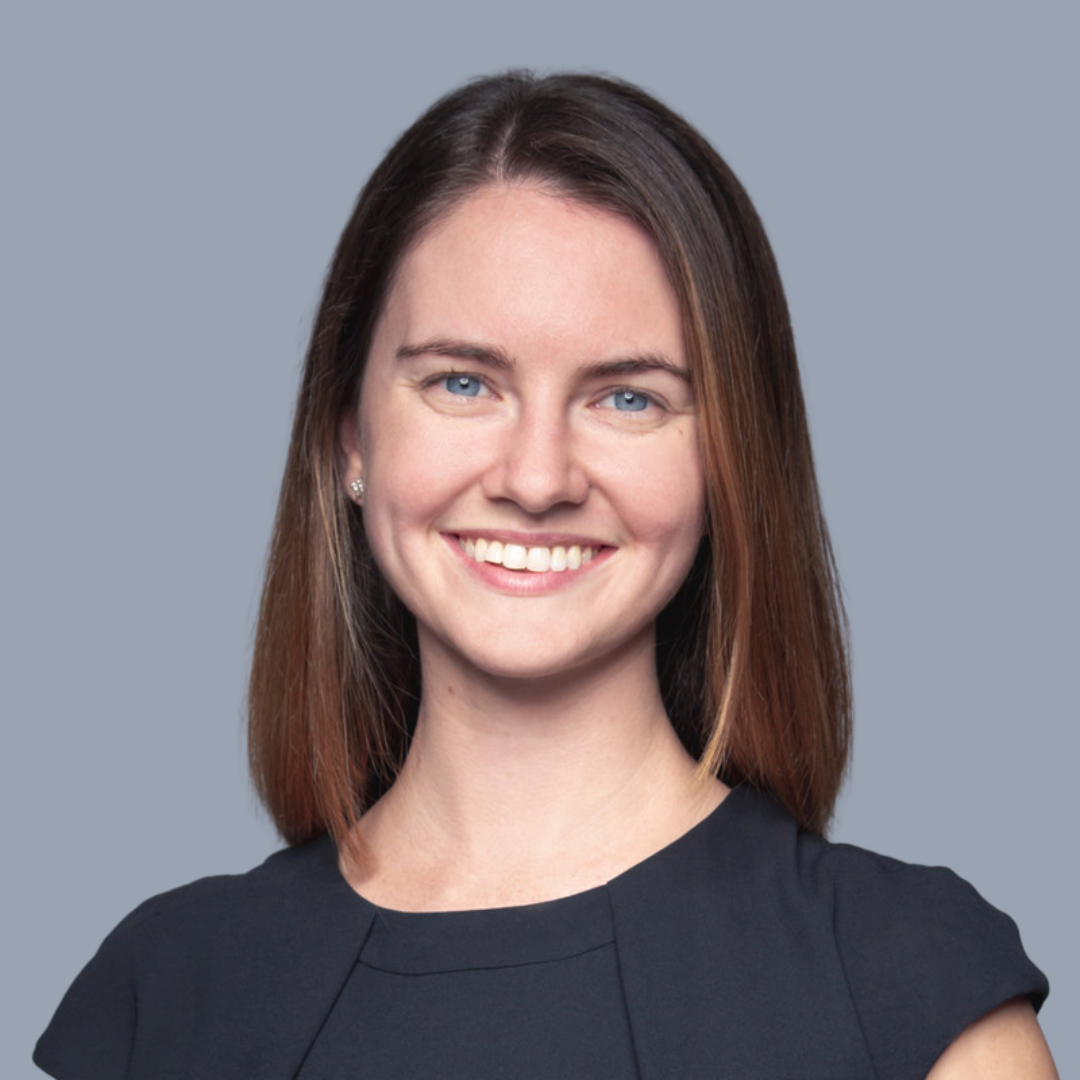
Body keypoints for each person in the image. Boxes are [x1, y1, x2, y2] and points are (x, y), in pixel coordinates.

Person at [35, 71, 1055, 1079]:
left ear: (730, 460)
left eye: (628, 400)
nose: (535, 480)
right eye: (463, 383)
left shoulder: (910, 993)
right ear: (350, 437)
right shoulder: (161, 998)